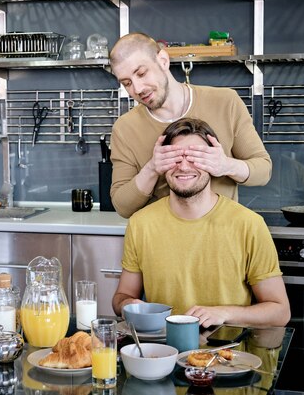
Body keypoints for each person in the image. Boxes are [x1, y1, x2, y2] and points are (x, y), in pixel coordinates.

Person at [111, 118, 290, 328]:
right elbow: (121, 297)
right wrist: (127, 304)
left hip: (228, 357)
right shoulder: (141, 223)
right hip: (161, 353)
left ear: (214, 162)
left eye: (196, 157)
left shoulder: (249, 225)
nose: (184, 166)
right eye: (175, 157)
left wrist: (223, 313)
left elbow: (280, 312)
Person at [108, 33, 272, 219]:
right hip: (161, 242)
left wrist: (225, 165)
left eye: (142, 73)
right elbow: (122, 206)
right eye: (127, 83)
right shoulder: (125, 129)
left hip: (224, 238)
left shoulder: (226, 102)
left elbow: (263, 171)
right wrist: (152, 168)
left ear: (162, 60)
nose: (137, 89)